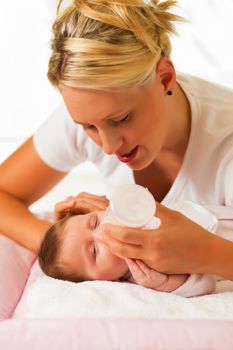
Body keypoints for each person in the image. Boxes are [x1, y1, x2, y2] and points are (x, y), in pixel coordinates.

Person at [0, 0, 233, 281]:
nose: (108, 147)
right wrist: (62, 246)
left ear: (164, 78)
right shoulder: (91, 109)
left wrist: (207, 252)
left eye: (121, 119)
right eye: (88, 126)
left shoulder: (226, 147)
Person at [38, 208, 215, 297]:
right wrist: (165, 283)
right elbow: (206, 283)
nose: (103, 233)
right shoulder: (142, 272)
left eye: (95, 223)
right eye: (94, 250)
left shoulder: (133, 215)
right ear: (104, 281)